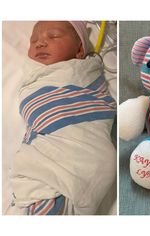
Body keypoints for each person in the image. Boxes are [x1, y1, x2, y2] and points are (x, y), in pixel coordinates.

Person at [10, 21, 116, 215]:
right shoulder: (34, 80)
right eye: (34, 41)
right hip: (47, 156)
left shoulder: (84, 74)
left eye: (54, 36)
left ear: (79, 49)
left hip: (86, 154)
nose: (40, 44)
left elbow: (97, 105)